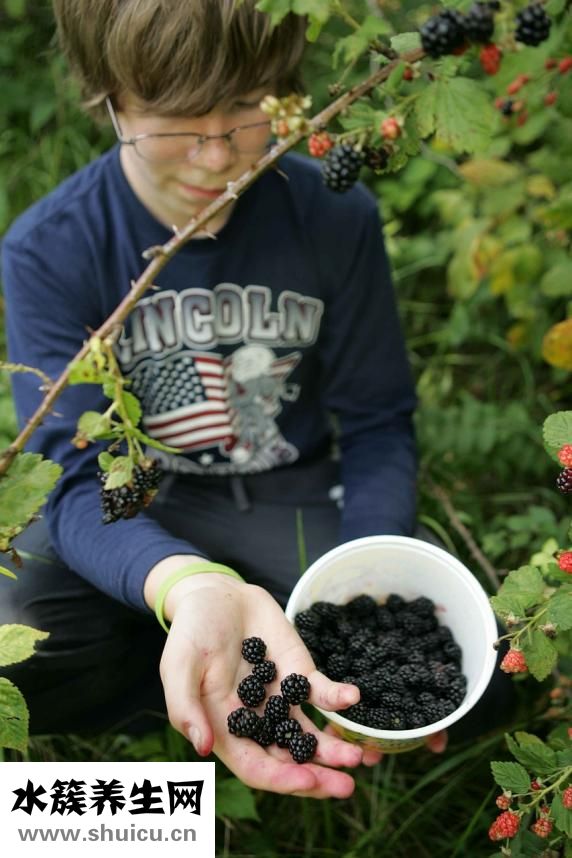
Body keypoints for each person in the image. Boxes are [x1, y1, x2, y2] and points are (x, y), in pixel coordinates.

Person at [0, 0, 450, 798]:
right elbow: (74, 481)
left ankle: (230, 669)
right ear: (108, 96)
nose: (218, 155)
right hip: (134, 509)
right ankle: (179, 680)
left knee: (452, 679)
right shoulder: (50, 249)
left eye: (246, 108)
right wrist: (186, 583)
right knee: (16, 639)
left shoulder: (333, 216)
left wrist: (361, 570)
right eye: (176, 119)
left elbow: (379, 420)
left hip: (290, 493)